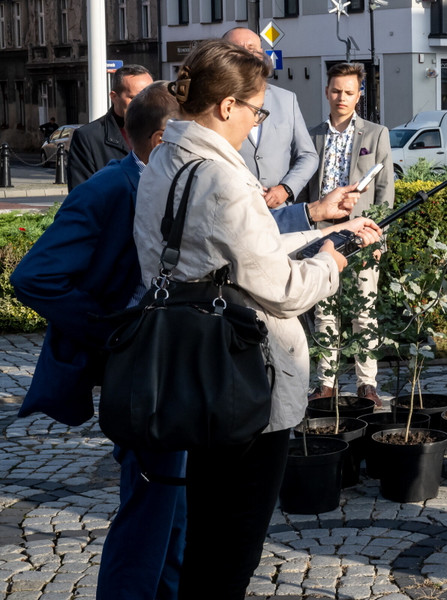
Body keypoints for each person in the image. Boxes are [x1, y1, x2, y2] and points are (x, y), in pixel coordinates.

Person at [132, 39, 380, 598]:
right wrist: (333, 261)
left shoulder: (164, 160)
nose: (256, 120)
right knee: (233, 544)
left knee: (206, 535)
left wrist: (321, 235)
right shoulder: (224, 177)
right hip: (244, 379)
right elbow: (281, 288)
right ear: (226, 107)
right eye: (256, 109)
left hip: (187, 368)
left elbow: (238, 253)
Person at [12, 82, 186, 600]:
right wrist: (112, 330)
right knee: (149, 511)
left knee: (171, 508)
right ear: (160, 141)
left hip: (162, 365)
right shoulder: (109, 187)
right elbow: (32, 276)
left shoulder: (158, 183)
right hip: (136, 369)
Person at [303, 62, 395, 406]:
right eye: (336, 90)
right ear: (327, 92)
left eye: (349, 91)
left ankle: (365, 383)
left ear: (359, 95)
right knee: (325, 308)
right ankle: (325, 382)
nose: (342, 97)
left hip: (362, 232)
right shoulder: (312, 135)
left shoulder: (375, 133)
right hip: (322, 233)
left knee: (363, 309)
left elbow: (385, 190)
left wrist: (377, 235)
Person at [223, 27, 320, 233]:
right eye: (238, 49)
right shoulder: (215, 104)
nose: (247, 54)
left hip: (282, 214)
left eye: (252, 49)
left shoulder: (286, 99)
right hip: (235, 215)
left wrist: (286, 188)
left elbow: (308, 155)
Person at [67, 64, 154, 190]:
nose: (144, 104)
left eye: (150, 97)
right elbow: (81, 196)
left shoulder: (165, 133)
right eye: (134, 98)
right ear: (114, 97)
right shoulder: (88, 137)